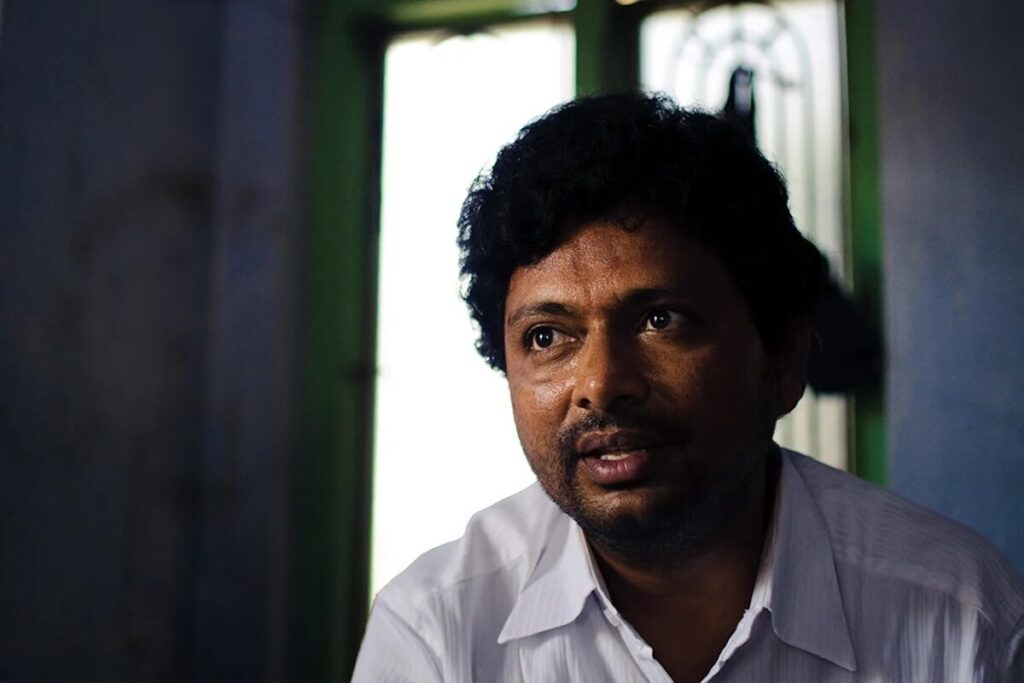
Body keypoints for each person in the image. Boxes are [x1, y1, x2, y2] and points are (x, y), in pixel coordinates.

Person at [352, 93, 1024, 682]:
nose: (601, 384)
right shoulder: (437, 632)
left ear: (783, 358)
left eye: (659, 319)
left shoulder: (962, 619)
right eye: (547, 336)